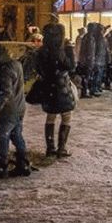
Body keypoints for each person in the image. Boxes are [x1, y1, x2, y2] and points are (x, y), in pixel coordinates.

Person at [0, 44, 30, 178]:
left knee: (3, 136)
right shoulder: (16, 64)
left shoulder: (4, 70)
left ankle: (2, 167)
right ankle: (23, 164)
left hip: (8, 109)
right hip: (19, 106)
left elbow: (5, 92)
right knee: (17, 135)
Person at [36, 23, 76, 157]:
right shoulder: (63, 49)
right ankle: (61, 148)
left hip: (48, 87)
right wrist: (68, 51)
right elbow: (71, 66)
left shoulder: (42, 50)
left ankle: (50, 148)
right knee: (66, 116)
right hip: (62, 87)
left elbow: (39, 68)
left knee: (50, 116)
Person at [79, 23, 108, 97]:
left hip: (88, 60)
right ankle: (86, 92)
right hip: (89, 61)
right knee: (87, 77)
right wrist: (91, 60)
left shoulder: (89, 37)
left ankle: (87, 91)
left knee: (88, 77)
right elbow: (90, 51)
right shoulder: (90, 38)